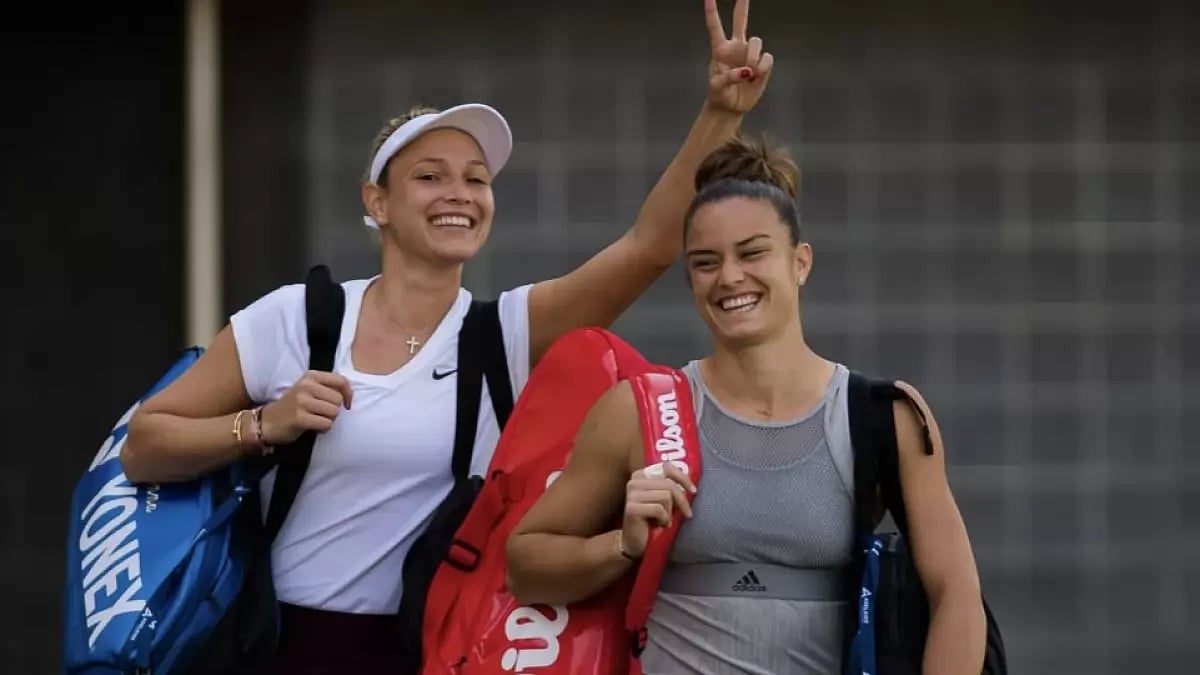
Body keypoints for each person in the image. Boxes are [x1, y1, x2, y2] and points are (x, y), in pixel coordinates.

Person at [119, 1, 773, 672]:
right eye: (429, 176)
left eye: (476, 179)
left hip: (434, 649)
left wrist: (720, 112)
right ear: (378, 203)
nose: (457, 194)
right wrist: (263, 423)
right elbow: (144, 446)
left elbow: (648, 247)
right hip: (287, 647)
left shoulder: (502, 335)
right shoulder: (295, 318)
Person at [505, 134, 989, 674]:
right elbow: (524, 565)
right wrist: (622, 545)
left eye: (753, 253)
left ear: (800, 262)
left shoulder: (881, 416)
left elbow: (956, 592)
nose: (730, 277)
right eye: (706, 262)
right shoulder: (641, 409)